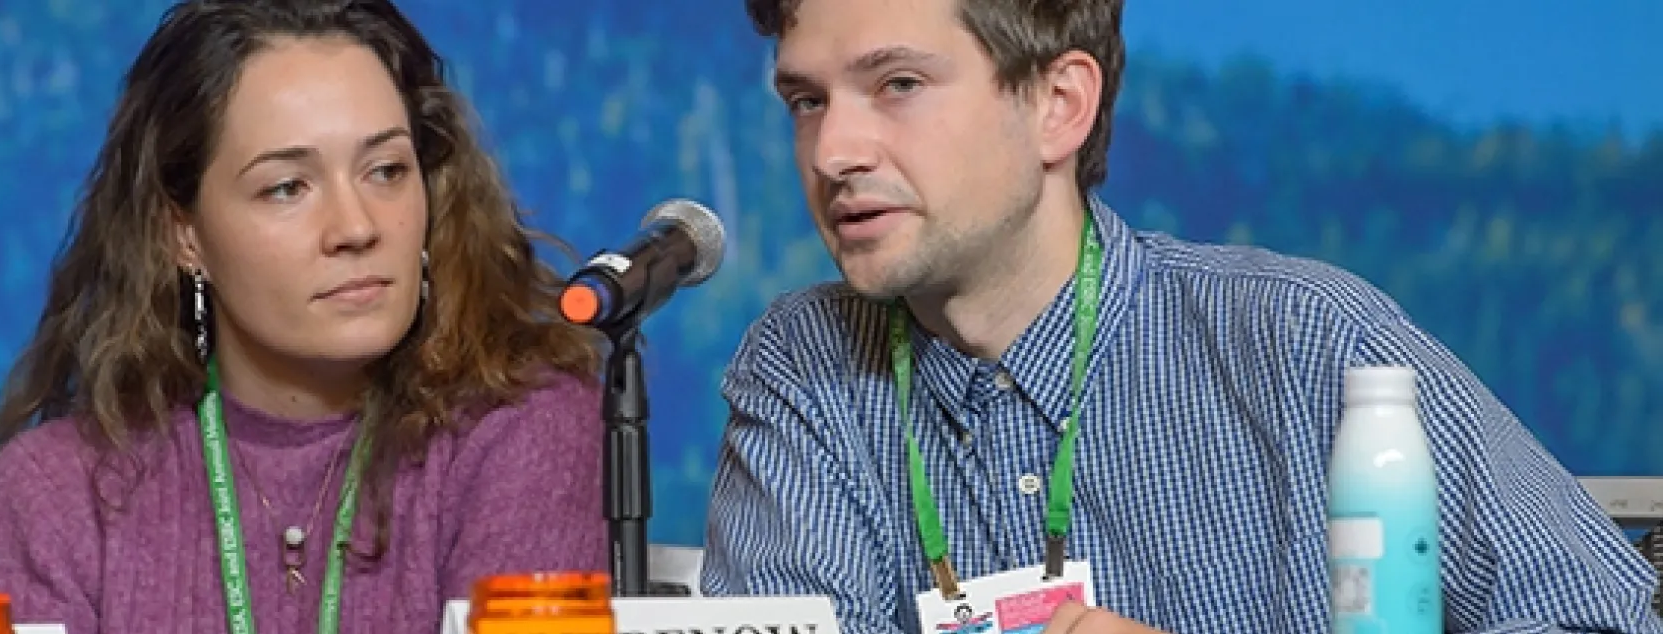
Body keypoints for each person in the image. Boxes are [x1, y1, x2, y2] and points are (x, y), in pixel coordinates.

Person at [700, 0, 1663, 633]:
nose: (832, 151)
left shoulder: (1305, 340)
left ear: (1059, 104)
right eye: (805, 101)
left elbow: (1601, 617)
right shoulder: (804, 366)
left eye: (898, 85)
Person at [0, 1, 607, 632]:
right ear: (183, 234)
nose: (356, 227)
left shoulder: (520, 430)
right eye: (287, 187)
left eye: (386, 171)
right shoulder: (57, 493)